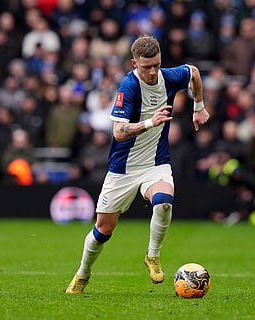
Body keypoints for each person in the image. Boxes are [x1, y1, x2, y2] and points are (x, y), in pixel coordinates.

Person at [65, 35, 210, 294]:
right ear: (134, 63)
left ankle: (152, 255)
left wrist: (198, 106)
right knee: (103, 229)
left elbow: (194, 72)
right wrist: (150, 123)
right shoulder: (128, 87)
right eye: (146, 67)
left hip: (156, 162)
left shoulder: (169, 76)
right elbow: (119, 132)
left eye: (156, 64)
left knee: (164, 201)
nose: (153, 71)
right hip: (123, 169)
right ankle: (83, 273)